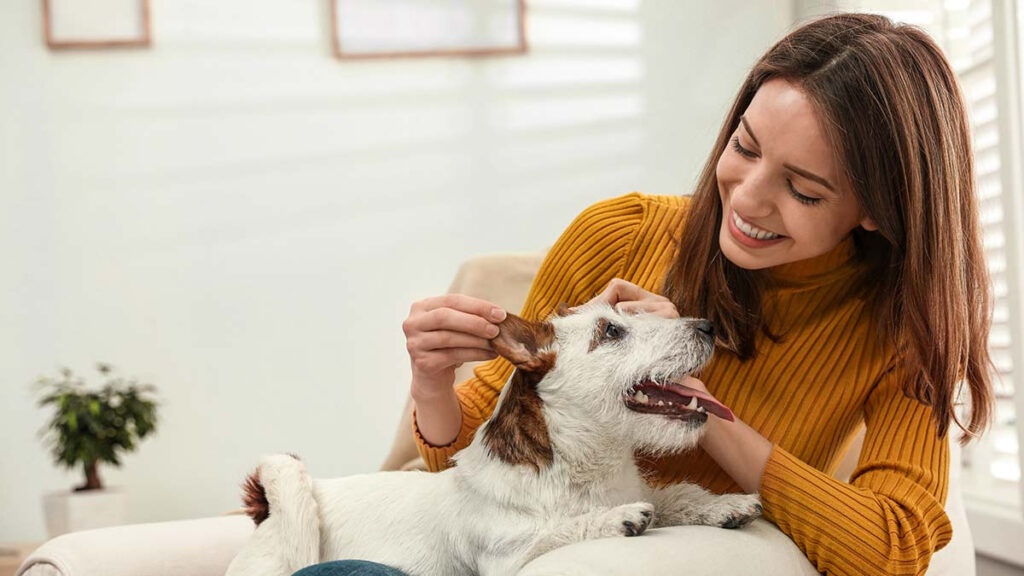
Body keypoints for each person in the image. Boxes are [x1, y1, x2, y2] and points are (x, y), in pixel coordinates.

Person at [301, 11, 994, 576]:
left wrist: (686, 392)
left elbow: (893, 547)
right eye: (745, 147)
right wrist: (432, 383)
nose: (746, 200)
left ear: (877, 210)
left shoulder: (901, 335)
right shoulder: (619, 233)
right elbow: (466, 461)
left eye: (803, 189)